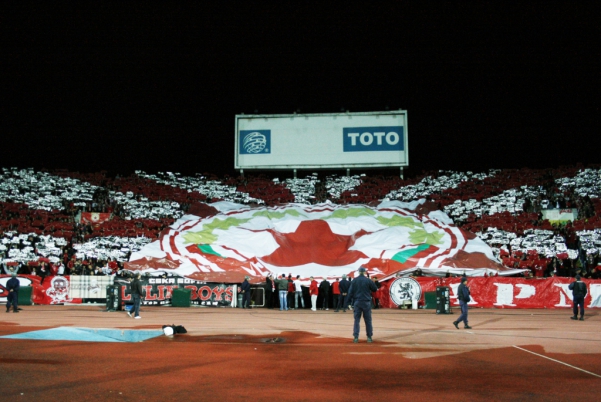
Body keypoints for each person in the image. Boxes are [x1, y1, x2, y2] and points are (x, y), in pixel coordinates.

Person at [348, 267, 378, 343]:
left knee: (357, 320)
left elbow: (350, 292)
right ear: (365, 272)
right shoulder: (368, 280)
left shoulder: (354, 280)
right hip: (366, 302)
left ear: (358, 272)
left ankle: (356, 337)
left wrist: (349, 303)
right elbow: (375, 289)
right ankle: (369, 337)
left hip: (357, 302)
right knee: (368, 320)